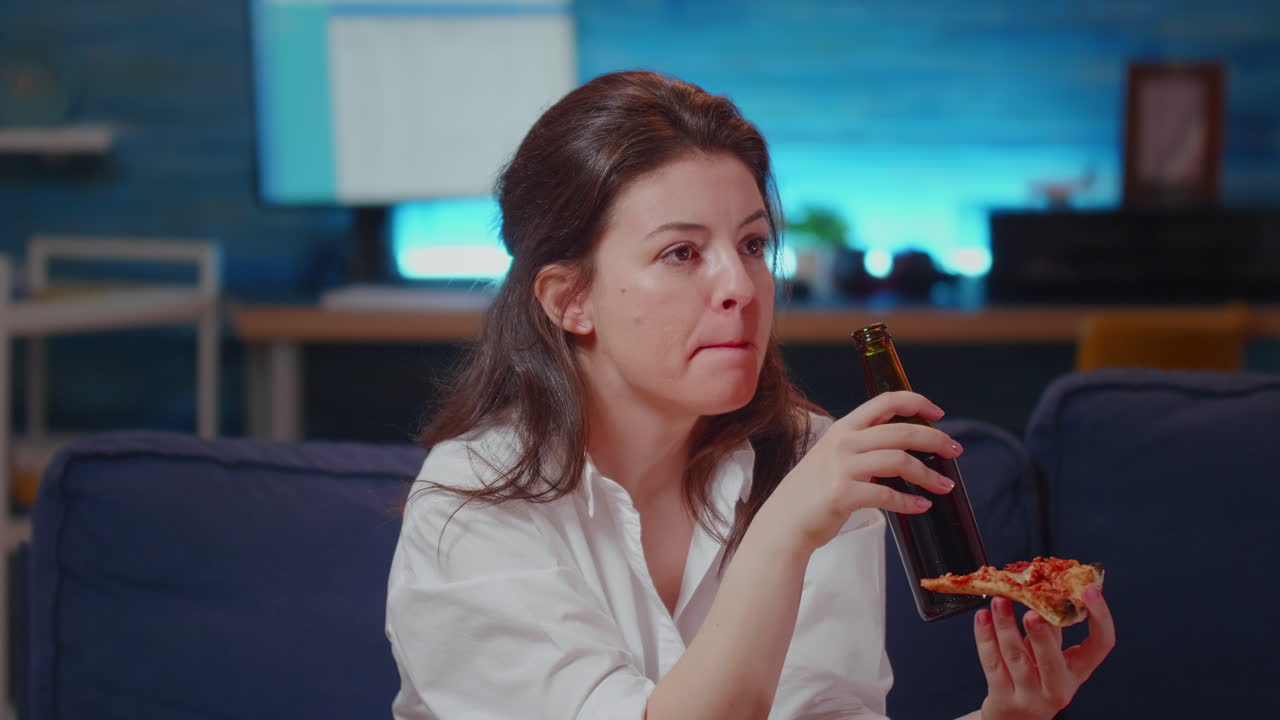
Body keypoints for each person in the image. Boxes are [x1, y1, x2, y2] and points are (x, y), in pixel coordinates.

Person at [385, 70, 1115, 719]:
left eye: (754, 245)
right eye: (681, 253)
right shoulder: (470, 504)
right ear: (569, 298)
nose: (740, 287)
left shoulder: (812, 458)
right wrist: (785, 529)